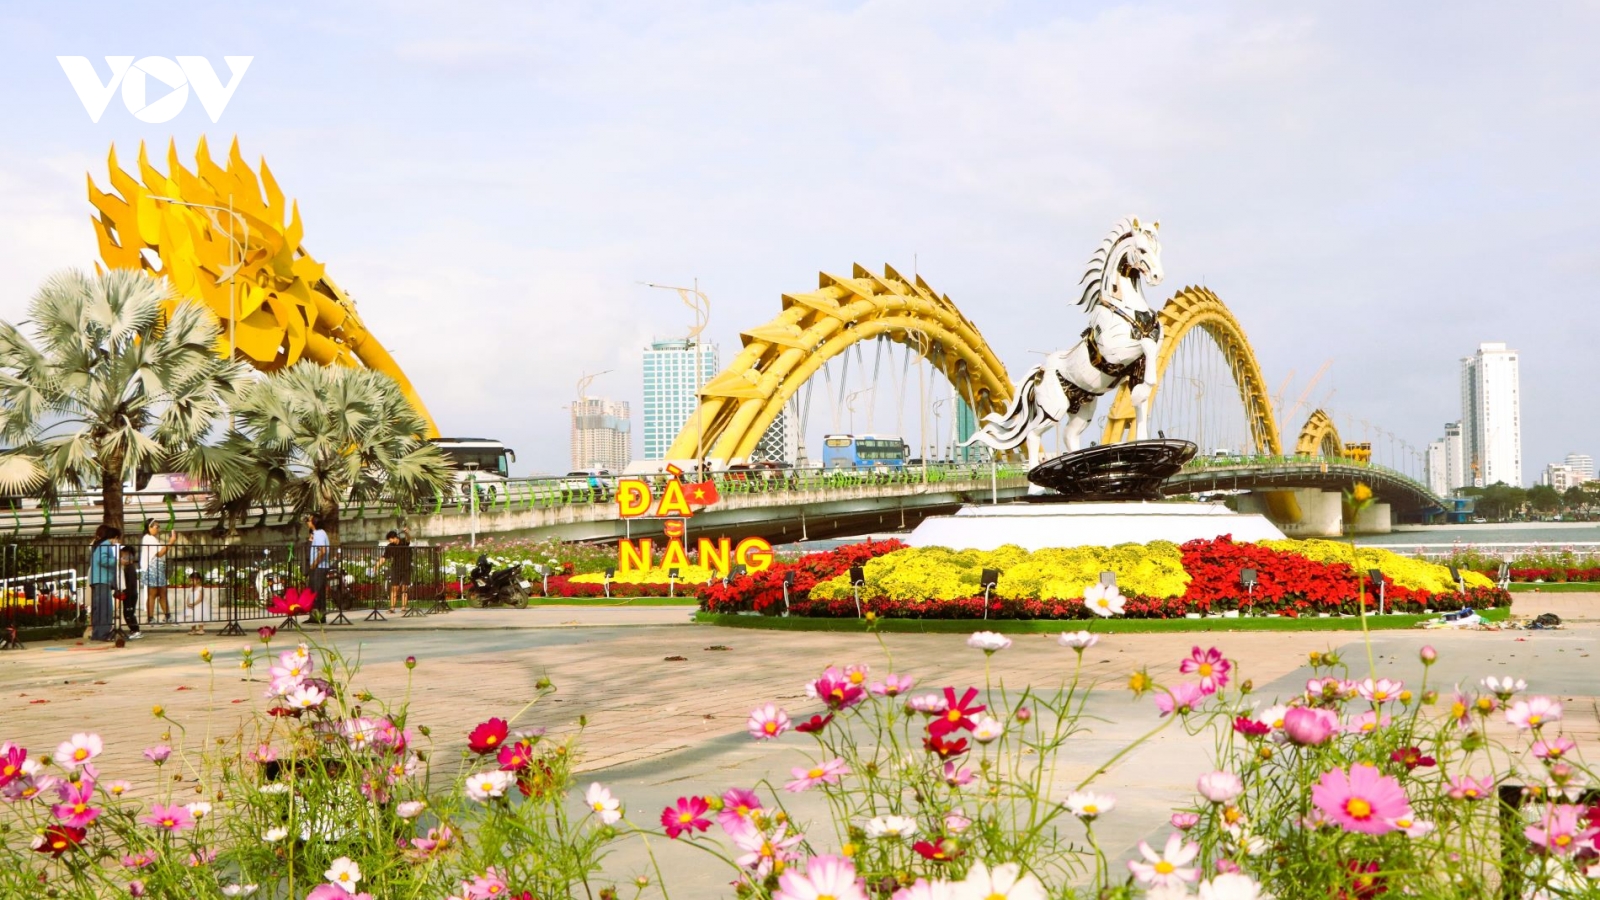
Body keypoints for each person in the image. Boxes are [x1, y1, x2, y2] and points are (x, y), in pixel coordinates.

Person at [88, 525, 120, 642]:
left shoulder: (99, 545)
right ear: (114, 537)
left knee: (98, 608)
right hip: (102, 579)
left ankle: (97, 633)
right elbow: (102, 560)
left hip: (97, 579)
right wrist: (116, 561)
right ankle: (103, 633)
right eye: (117, 539)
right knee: (105, 608)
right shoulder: (106, 545)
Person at [141, 519, 174, 625]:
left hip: (158, 567)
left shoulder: (153, 539)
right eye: (156, 526)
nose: (158, 529)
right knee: (153, 593)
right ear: (149, 527)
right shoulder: (148, 538)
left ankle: (167, 616)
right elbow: (159, 553)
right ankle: (150, 617)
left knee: (162, 592)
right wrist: (171, 542)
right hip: (152, 567)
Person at [378, 530, 412, 612]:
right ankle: (392, 608)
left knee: (404, 588)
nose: (389, 541)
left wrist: (406, 532)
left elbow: (408, 538)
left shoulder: (404, 542)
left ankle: (403, 607)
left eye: (389, 539)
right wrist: (377, 565)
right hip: (396, 569)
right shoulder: (389, 547)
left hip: (406, 568)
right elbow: (384, 557)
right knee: (394, 588)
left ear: (394, 538)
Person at [306, 514, 330, 623]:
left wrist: (314, 564)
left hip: (319, 567)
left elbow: (323, 551)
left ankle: (319, 616)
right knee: (313, 592)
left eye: (309, 520)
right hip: (317, 567)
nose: (307, 522)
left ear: (314, 522)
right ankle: (314, 616)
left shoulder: (319, 533)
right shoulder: (316, 533)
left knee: (317, 592)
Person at [118, 544, 142, 640]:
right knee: (127, 613)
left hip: (130, 594)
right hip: (129, 593)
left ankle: (136, 630)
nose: (122, 558)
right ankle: (133, 630)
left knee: (129, 613)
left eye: (123, 555)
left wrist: (126, 592)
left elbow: (131, 583)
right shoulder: (127, 568)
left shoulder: (130, 568)